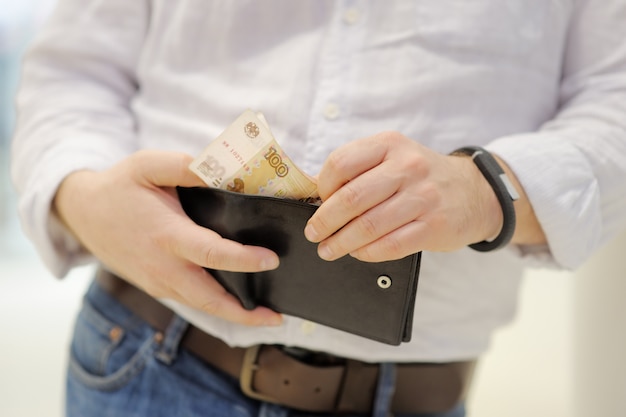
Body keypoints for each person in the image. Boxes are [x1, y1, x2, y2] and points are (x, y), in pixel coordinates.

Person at [10, 1, 626, 416]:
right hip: (147, 358)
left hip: (409, 395)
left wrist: (486, 188)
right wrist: (84, 196)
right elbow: (75, 72)